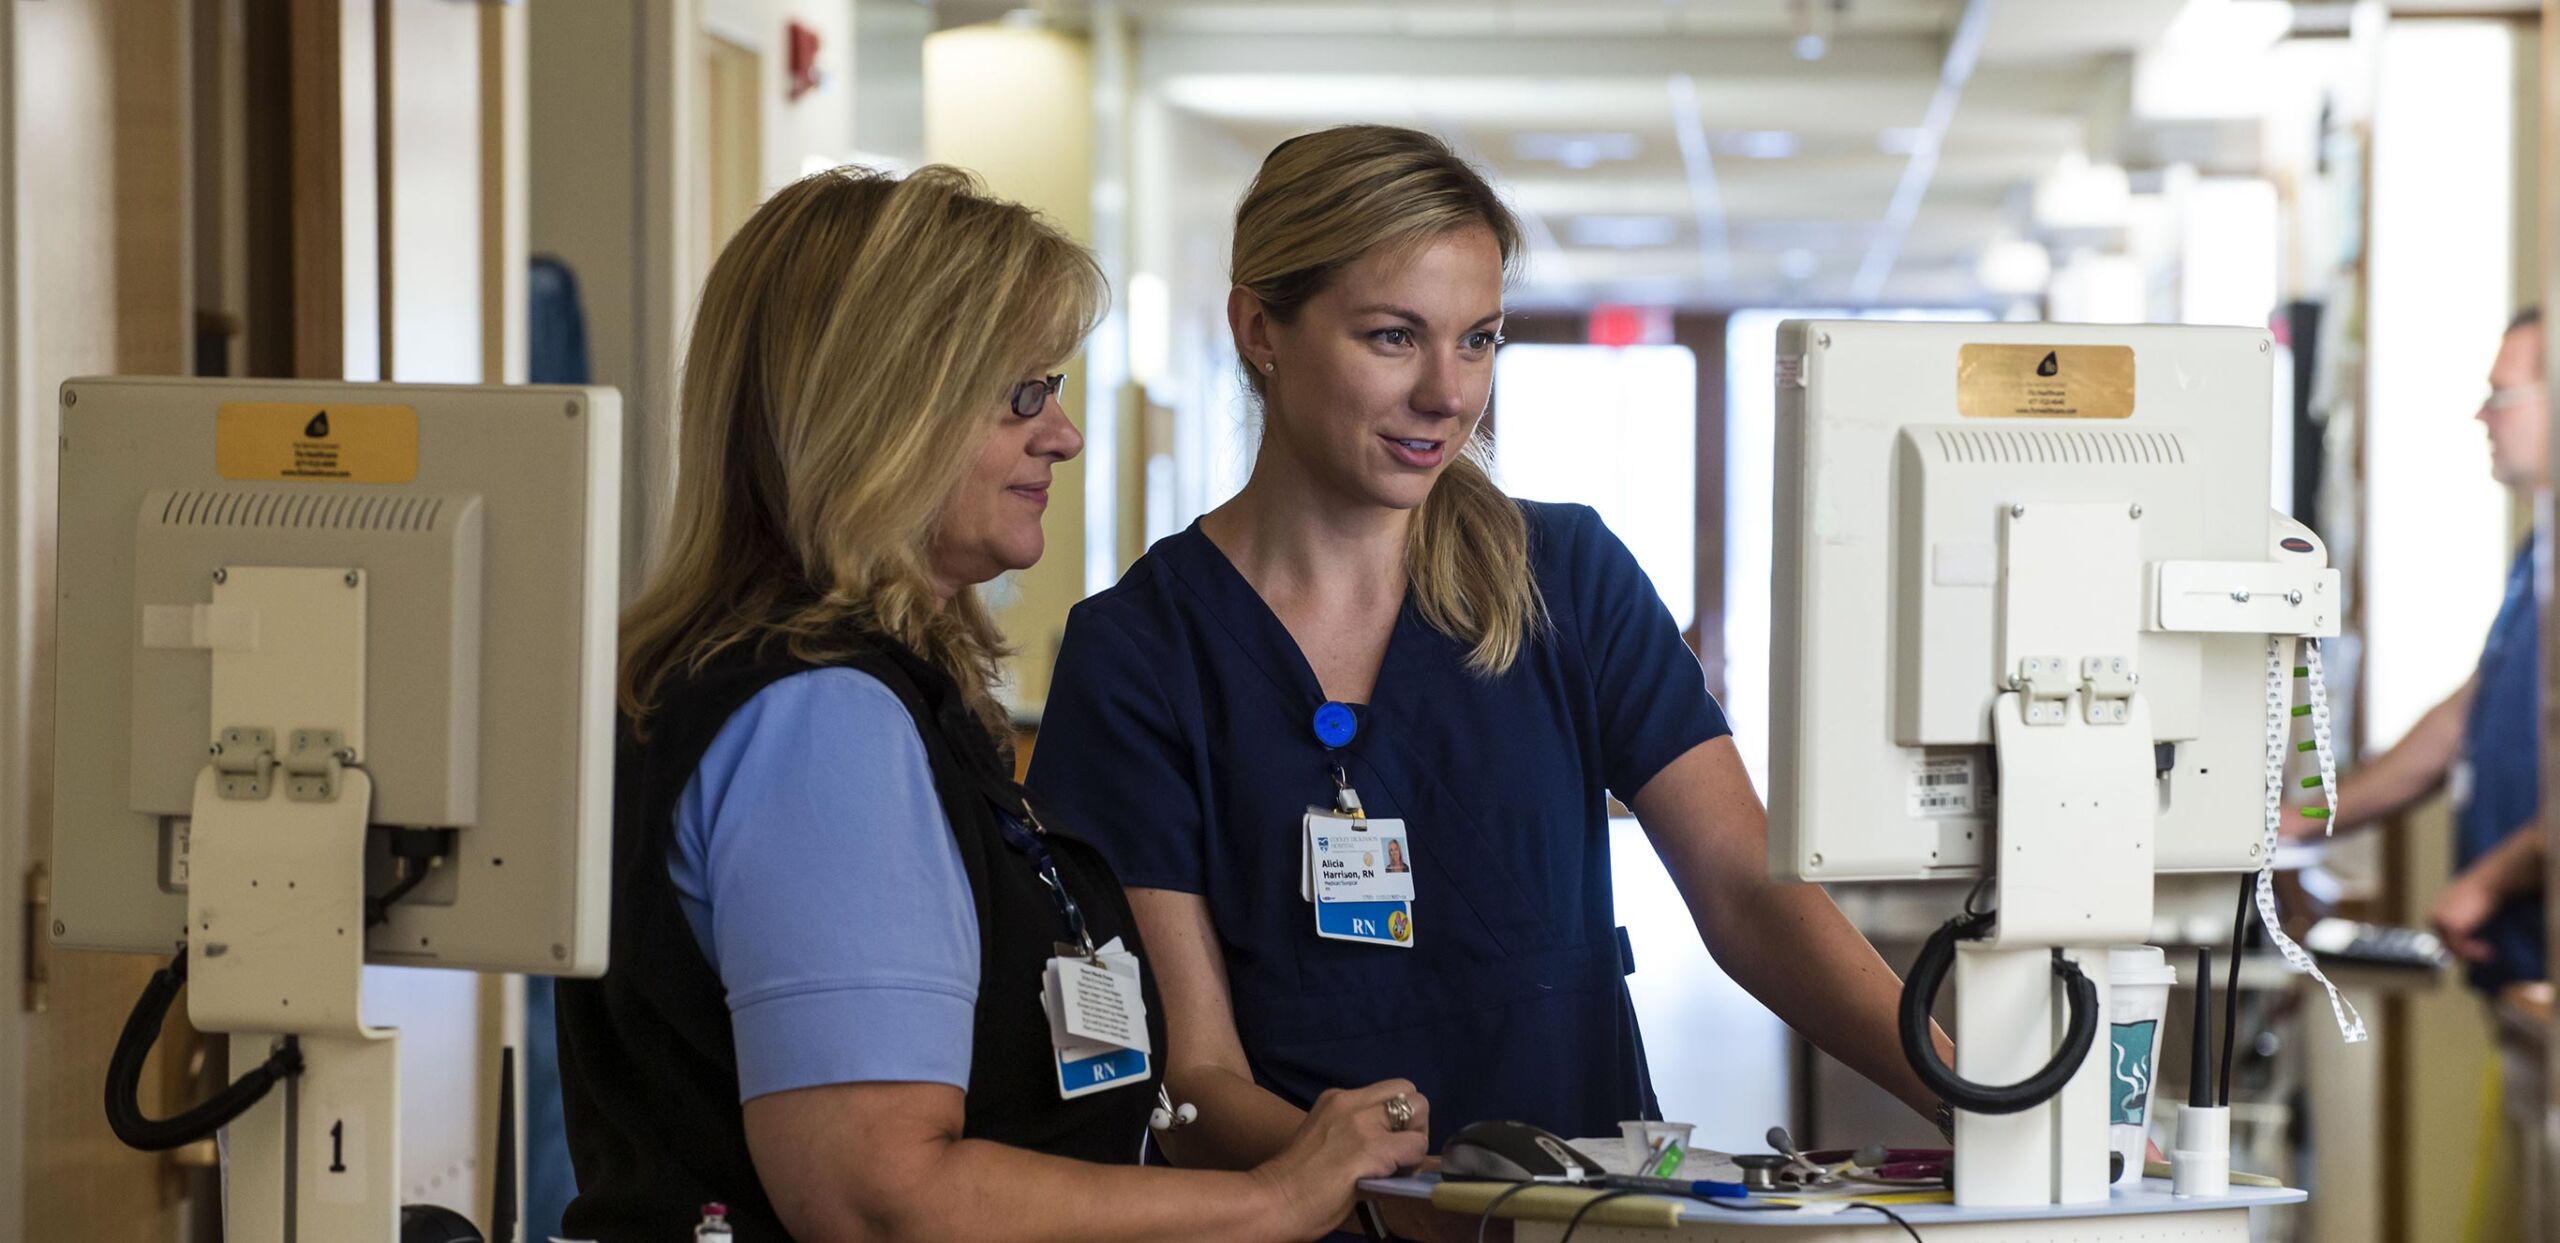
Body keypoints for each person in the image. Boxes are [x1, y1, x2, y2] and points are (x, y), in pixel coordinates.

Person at [1026, 126, 1951, 1237]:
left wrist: (1975, 1097)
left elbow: (1748, 895)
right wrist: (1415, 1198)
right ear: (1258, 329)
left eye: (1478, 340)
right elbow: (1194, 1080)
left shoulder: (1566, 580)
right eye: (1391, 337)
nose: (1445, 394)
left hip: (1589, 1220)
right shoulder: (1140, 653)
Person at [554, 165, 1427, 1242]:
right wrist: (1276, 1198)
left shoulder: (860, 694)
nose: (1060, 434)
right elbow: (881, 1195)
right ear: (886, 409)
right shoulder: (819, 722)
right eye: (1023, 393)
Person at [2287, 305, 2547, 1228]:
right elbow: (2471, 712)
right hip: (2519, 981)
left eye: (2502, 394)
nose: (2485, 416)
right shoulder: (2537, 557)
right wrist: (2312, 816)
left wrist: (2488, 878)